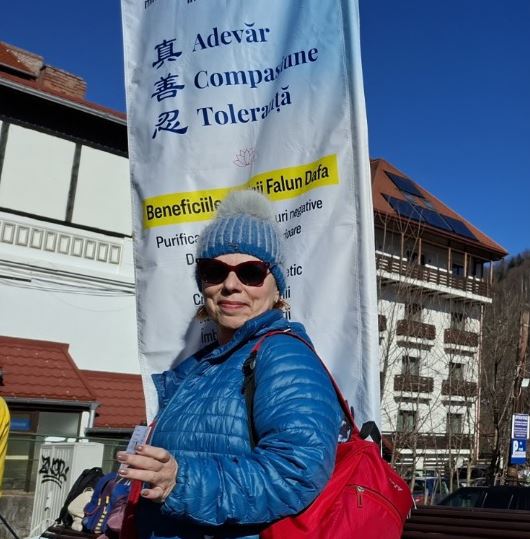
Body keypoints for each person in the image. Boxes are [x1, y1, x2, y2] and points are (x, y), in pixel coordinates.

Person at [117, 190, 342, 539]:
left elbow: (295, 472)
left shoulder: (284, 356)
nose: (231, 285)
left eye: (251, 272)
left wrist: (180, 480)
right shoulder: (205, 364)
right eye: (215, 271)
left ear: (277, 287)